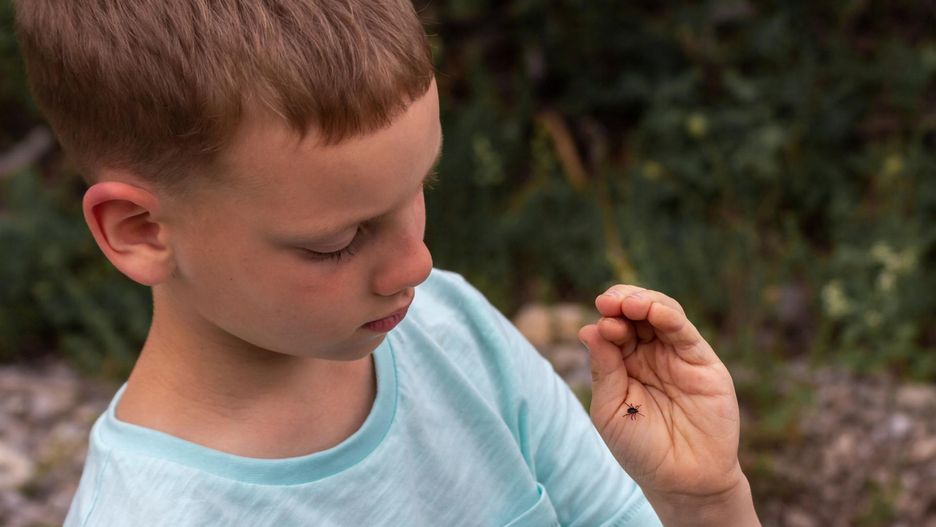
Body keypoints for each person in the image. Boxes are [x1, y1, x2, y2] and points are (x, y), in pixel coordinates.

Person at [14, 1, 760, 525]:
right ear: (141, 229)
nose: (416, 262)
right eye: (338, 240)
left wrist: (703, 501)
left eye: (420, 190)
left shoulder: (451, 328)